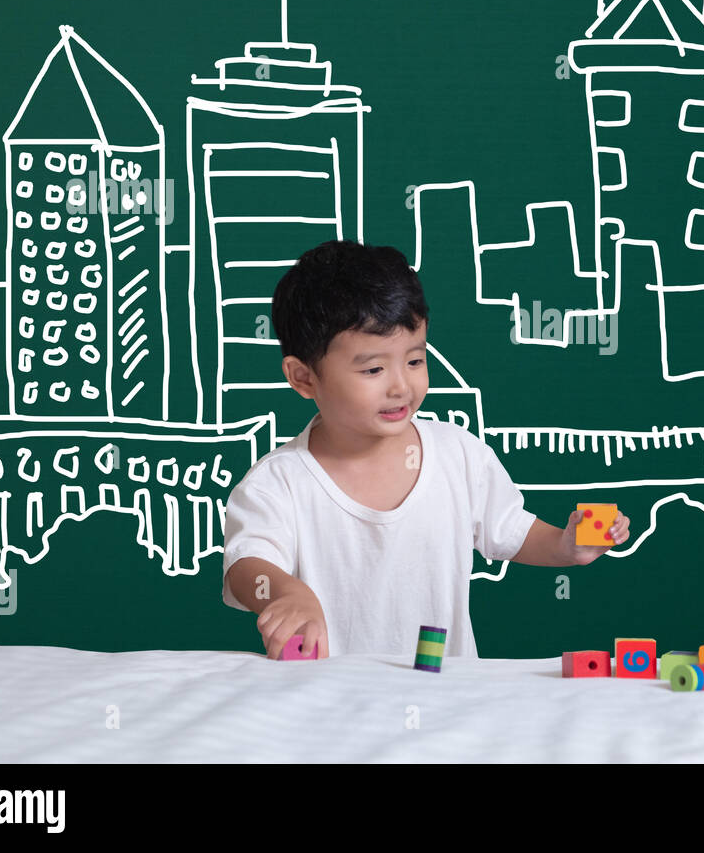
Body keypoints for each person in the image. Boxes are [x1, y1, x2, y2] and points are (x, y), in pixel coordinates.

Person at [221, 240, 630, 658]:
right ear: (304, 378)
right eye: (374, 369)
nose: (401, 386)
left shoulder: (458, 455)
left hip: (443, 698)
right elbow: (245, 565)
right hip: (332, 703)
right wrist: (284, 593)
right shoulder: (279, 481)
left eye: (415, 361)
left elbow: (512, 531)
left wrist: (566, 544)